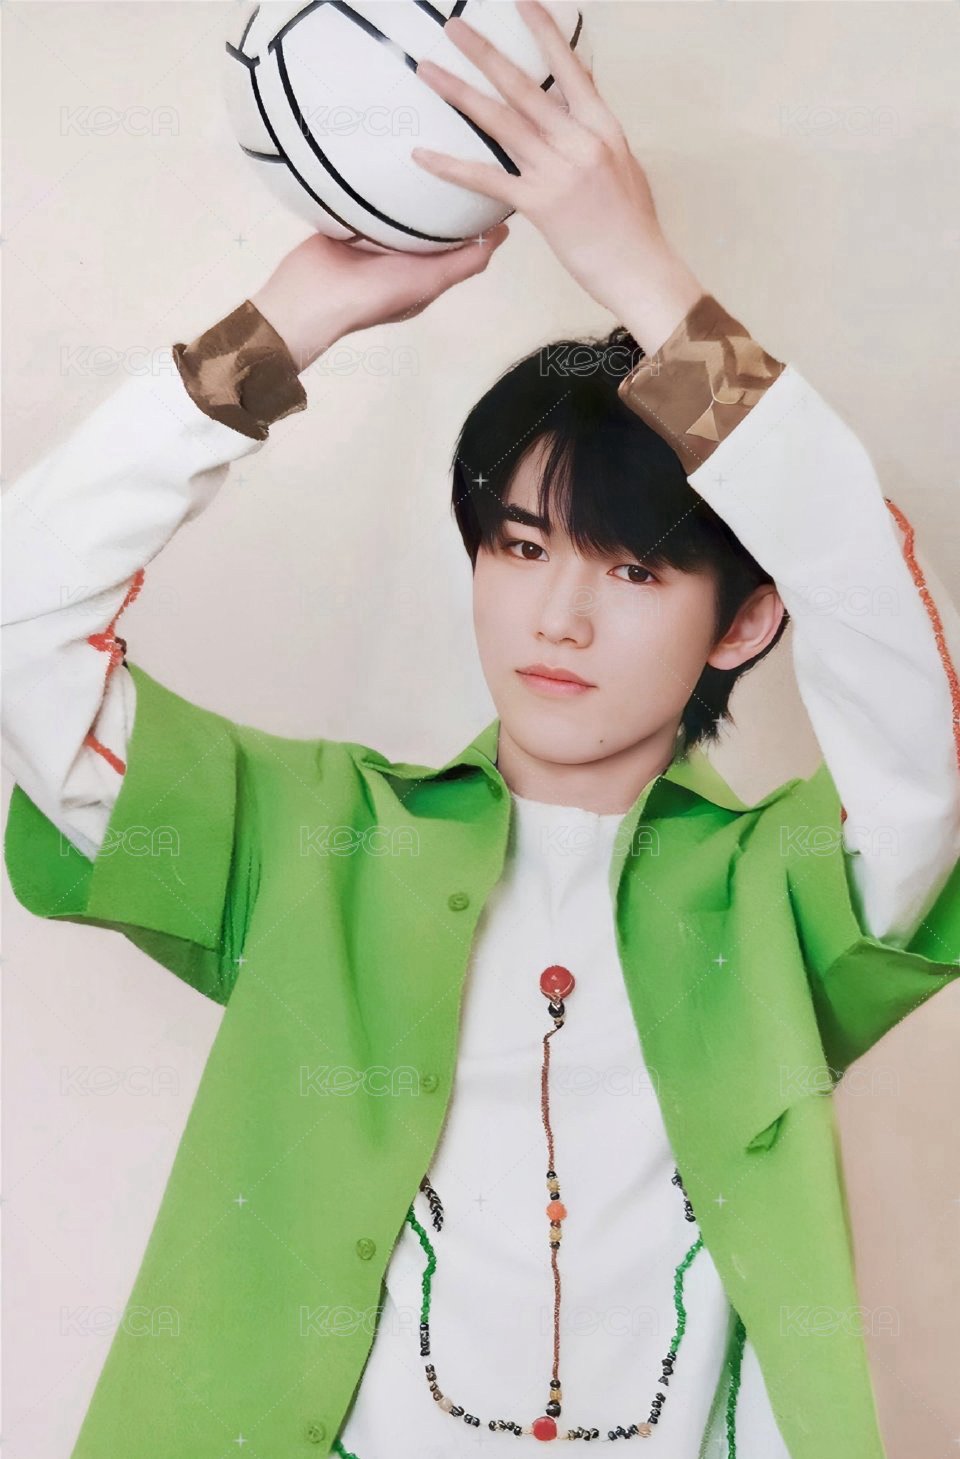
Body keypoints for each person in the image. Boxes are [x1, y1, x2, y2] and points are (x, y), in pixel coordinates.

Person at [3, 4, 959, 1458]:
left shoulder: (788, 894)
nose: (556, 617)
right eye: (519, 547)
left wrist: (645, 277)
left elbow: (903, 682)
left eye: (633, 571)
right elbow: (24, 626)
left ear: (744, 621)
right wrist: (283, 327)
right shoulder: (310, 843)